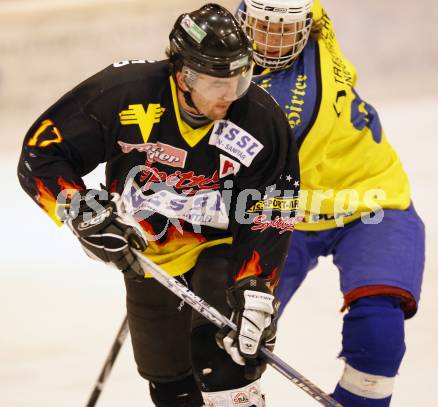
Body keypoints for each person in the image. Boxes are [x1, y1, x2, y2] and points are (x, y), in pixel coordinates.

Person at [17, 4, 300, 407]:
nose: (232, 95)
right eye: (218, 83)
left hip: (222, 248)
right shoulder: (122, 95)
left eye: (241, 79)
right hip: (147, 252)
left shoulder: (259, 119)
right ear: (183, 76)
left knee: (224, 366)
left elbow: (273, 207)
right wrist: (83, 210)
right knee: (169, 385)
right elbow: (41, 153)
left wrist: (257, 283)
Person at [237, 0, 425, 406]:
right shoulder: (314, 26)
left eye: (285, 29)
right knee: (230, 340)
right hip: (280, 213)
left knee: (379, 336)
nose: (272, 40)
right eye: (263, 25)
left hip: (370, 199)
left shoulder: (298, 98)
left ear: (305, 27)